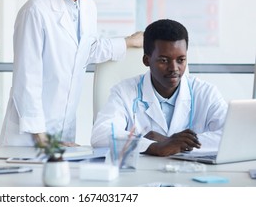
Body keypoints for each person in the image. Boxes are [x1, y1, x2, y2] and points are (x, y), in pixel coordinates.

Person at [0, 0, 143, 147]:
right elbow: (26, 78)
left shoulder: (87, 6)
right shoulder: (36, 11)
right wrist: (40, 135)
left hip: (63, 127)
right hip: (31, 134)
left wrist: (128, 42)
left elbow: (84, 50)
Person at [91, 19, 227, 156]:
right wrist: (154, 146)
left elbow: (232, 135)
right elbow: (101, 134)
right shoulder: (124, 91)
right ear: (146, 60)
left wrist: (171, 143)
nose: (174, 68)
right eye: (164, 60)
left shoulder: (205, 92)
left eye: (181, 60)